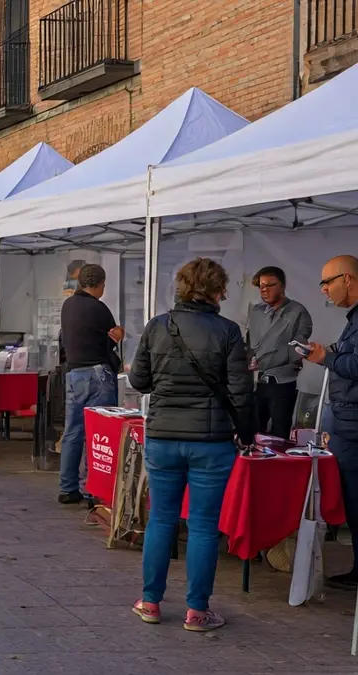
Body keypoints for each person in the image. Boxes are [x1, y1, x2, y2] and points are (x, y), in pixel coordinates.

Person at [129, 258, 254, 632]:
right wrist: (247, 435)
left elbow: (139, 380)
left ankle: (150, 602)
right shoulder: (229, 331)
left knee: (161, 520)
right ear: (218, 291)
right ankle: (197, 611)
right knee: (202, 525)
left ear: (181, 287)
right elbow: (241, 392)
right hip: (211, 442)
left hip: (164, 436)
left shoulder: (157, 326)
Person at [306, 255, 358, 590]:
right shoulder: (352, 319)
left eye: (328, 282)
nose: (324, 289)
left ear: (349, 279)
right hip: (346, 419)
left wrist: (328, 358)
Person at [58, 263, 124, 504]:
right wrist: (120, 335)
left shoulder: (68, 305)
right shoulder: (99, 308)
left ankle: (67, 487)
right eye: (103, 285)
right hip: (97, 374)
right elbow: (111, 340)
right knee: (99, 434)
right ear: (98, 284)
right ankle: (94, 490)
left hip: (74, 373)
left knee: (73, 431)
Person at [246, 266, 312, 440]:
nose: (264, 289)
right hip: (258, 382)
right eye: (261, 286)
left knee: (280, 433)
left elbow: (297, 348)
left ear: (282, 286)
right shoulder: (256, 312)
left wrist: (264, 361)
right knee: (254, 431)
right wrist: (248, 360)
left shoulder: (298, 312)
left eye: (270, 285)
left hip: (283, 382)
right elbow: (249, 343)